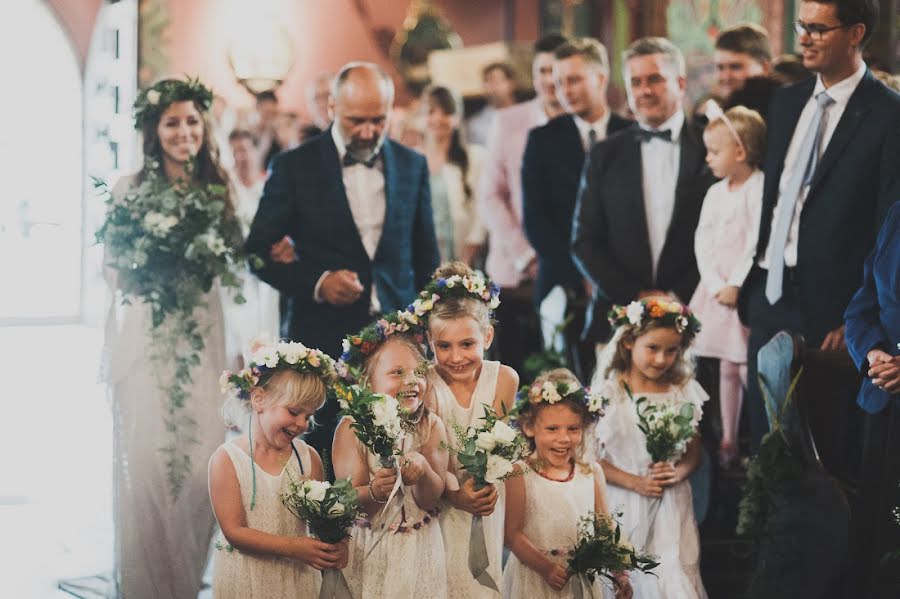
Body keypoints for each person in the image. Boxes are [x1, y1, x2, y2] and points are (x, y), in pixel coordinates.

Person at [245, 61, 440, 454]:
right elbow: (257, 252)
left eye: (378, 120)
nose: (368, 132)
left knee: (397, 454)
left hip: (396, 340)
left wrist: (427, 335)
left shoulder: (412, 165)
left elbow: (425, 257)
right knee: (322, 451)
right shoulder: (294, 166)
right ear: (332, 107)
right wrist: (317, 282)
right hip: (321, 337)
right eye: (356, 121)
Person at [740, 0, 900, 450]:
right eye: (800, 26)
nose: (804, 38)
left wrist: (853, 316)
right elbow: (776, 202)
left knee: (821, 454)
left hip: (833, 314)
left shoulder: (888, 115)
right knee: (766, 443)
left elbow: (886, 229)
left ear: (855, 33)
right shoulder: (787, 101)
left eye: (818, 28)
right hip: (770, 297)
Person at [101, 77, 237, 598]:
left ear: (205, 128)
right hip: (148, 338)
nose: (185, 132)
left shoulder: (219, 187)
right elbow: (113, 271)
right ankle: (145, 582)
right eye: (173, 122)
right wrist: (150, 267)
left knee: (201, 452)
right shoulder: (129, 190)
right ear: (154, 131)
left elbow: (236, 267)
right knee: (150, 457)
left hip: (202, 337)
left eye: (193, 122)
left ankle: (184, 578)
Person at [572, 37, 716, 362]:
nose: (644, 90)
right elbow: (584, 241)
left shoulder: (711, 149)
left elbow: (725, 237)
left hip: (694, 318)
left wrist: (674, 298)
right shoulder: (603, 155)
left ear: (680, 83)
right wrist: (637, 296)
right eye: (635, 82)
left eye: (655, 79)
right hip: (616, 319)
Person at [522, 37, 633, 382]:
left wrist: (605, 274)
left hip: (623, 279)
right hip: (561, 278)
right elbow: (536, 220)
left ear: (600, 79)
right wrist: (583, 271)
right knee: (563, 384)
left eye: (573, 80)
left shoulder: (631, 135)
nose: (563, 91)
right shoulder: (542, 139)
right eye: (558, 82)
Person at [209, 341, 349, 597]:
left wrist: (334, 544)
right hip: (246, 578)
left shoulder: (309, 459)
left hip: (296, 578)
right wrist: (294, 547)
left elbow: (320, 520)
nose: (302, 423)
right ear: (259, 399)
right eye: (294, 411)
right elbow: (234, 531)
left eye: (309, 416)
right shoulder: (227, 459)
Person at [593, 298, 708, 599]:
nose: (661, 359)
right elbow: (590, 458)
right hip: (623, 497)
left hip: (671, 500)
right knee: (627, 575)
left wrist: (677, 470)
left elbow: (695, 449)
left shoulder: (681, 390)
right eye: (653, 348)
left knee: (672, 571)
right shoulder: (609, 393)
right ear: (629, 342)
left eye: (672, 351)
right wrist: (636, 482)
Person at [421, 262, 519, 598]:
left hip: (484, 498)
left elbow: (498, 445)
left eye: (467, 344)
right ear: (428, 341)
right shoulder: (426, 385)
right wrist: (453, 494)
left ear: (487, 336)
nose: (456, 357)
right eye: (443, 346)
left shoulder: (504, 379)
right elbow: (428, 455)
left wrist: (482, 486)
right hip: (440, 501)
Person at [332, 326, 450, 598]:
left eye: (418, 372)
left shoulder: (430, 426)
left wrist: (423, 470)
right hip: (374, 547)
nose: (411, 381)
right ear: (367, 382)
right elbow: (347, 497)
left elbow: (431, 499)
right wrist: (373, 490)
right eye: (397, 373)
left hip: (421, 546)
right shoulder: (353, 428)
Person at [478, 32, 567, 375]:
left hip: (570, 272)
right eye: (541, 71)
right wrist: (526, 254)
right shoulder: (509, 122)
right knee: (512, 376)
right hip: (515, 271)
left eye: (555, 72)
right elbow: (491, 195)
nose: (549, 81)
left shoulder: (582, 125)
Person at [503, 368, 630, 599]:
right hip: (536, 576)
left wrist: (619, 572)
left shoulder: (591, 472)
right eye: (552, 429)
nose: (563, 438)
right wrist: (546, 568)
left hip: (581, 577)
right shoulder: (519, 473)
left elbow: (605, 528)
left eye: (573, 429)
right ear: (529, 427)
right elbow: (511, 534)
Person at [689, 106, 766, 467]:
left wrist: (735, 282)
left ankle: (767, 431)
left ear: (740, 151)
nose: (708, 158)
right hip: (715, 292)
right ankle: (729, 439)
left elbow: (755, 241)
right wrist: (715, 282)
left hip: (744, 291)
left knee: (746, 363)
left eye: (714, 151)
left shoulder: (758, 187)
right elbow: (702, 238)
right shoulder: (715, 192)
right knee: (724, 365)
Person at [843, 201, 900, 598]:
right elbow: (862, 305)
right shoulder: (896, 214)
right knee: (879, 536)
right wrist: (873, 352)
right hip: (884, 401)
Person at [223, 128, 281, 367]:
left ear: (257, 152)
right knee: (238, 339)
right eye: (234, 152)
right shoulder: (226, 194)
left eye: (245, 150)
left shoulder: (270, 190)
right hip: (235, 279)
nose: (241, 157)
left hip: (267, 280)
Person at [421, 86, 486, 265]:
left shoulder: (476, 157)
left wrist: (465, 260)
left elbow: (481, 213)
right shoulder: (413, 160)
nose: (437, 119)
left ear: (457, 117)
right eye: (431, 112)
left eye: (446, 112)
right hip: (425, 261)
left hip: (465, 259)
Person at [714, 23, 772, 101]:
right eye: (720, 68)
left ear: (765, 68)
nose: (726, 77)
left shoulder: (784, 109)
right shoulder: (708, 109)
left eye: (735, 67)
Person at [466, 62, 517, 146]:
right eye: (487, 81)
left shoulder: (531, 115)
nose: (493, 86)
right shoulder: (476, 125)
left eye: (497, 80)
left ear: (511, 83)